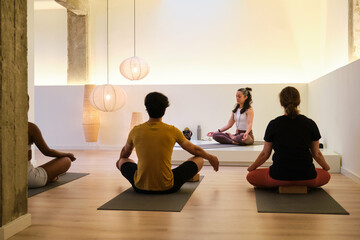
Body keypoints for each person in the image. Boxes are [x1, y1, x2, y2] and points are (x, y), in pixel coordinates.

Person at [116, 92, 219, 194]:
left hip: (139, 187)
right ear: (165, 110)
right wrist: (210, 157)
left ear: (147, 109)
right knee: (199, 159)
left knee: (122, 160)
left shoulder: (135, 130)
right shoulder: (172, 130)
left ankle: (144, 177)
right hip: (168, 187)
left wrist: (120, 162)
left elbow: (125, 153)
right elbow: (195, 150)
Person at [246, 86, 330, 188]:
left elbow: (265, 154)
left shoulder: (274, 124)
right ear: (299, 102)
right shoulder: (310, 123)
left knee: (251, 176)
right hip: (307, 177)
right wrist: (326, 167)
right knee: (326, 175)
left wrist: (252, 168)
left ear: (281, 103)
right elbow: (316, 154)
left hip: (279, 176)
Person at [28, 96, 76, 188]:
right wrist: (66, 154)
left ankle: (49, 177)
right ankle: (49, 178)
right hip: (29, 179)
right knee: (66, 160)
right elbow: (47, 152)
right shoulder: (30, 127)